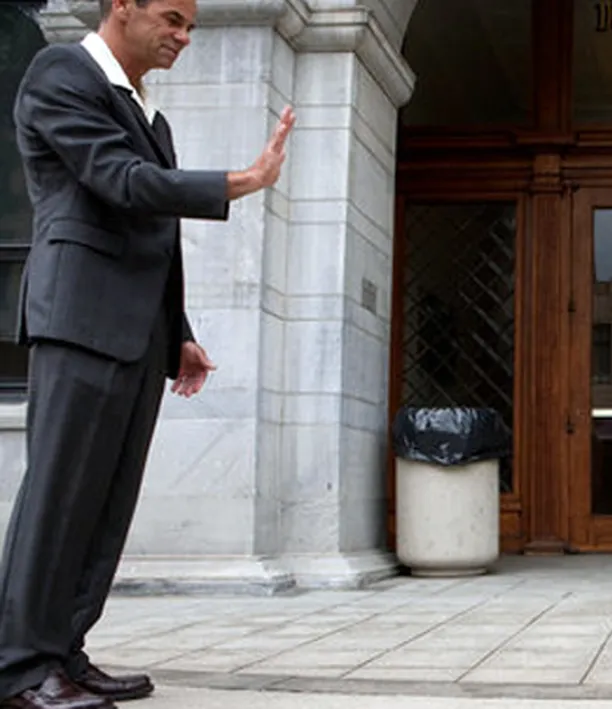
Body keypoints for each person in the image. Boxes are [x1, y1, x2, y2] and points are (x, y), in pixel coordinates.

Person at [1, 0, 295, 705]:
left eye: (191, 25)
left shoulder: (148, 116)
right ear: (121, 6)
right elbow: (121, 183)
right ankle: (18, 667)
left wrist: (180, 331)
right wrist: (239, 181)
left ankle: (63, 653)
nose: (184, 37)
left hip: (136, 333)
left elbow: (150, 234)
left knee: (105, 505)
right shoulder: (59, 74)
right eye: (172, 18)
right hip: (77, 321)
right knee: (59, 499)